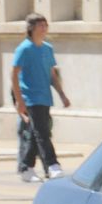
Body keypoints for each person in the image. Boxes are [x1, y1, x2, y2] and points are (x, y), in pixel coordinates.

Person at [11, 13, 70, 182]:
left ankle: (26, 168)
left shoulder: (47, 48)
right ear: (31, 28)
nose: (44, 29)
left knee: (37, 132)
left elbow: (52, 75)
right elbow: (14, 75)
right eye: (41, 25)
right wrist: (19, 101)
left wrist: (62, 95)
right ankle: (52, 165)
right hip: (30, 97)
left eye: (46, 25)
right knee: (42, 133)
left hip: (45, 97)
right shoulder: (24, 49)